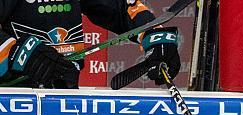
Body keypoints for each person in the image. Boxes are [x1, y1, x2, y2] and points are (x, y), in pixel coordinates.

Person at [0, 0, 180, 88]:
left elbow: (120, 8)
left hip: (63, 96)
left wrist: (154, 35)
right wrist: (18, 53)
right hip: (12, 104)